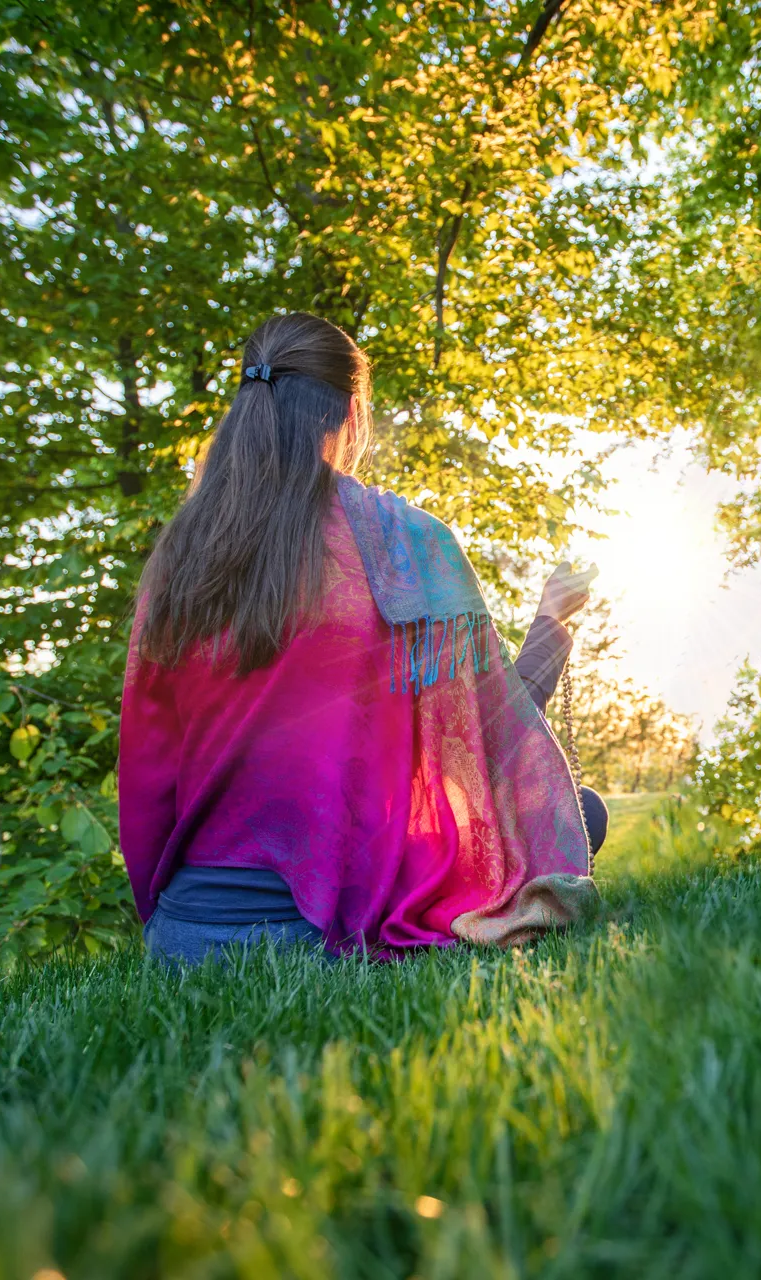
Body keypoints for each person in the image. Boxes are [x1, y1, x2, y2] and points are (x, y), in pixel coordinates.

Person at [118, 312, 603, 964]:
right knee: (581, 815)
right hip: (323, 935)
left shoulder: (180, 555)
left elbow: (145, 782)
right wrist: (552, 620)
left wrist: (163, 926)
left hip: (183, 933)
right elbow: (494, 736)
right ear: (350, 412)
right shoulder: (403, 546)